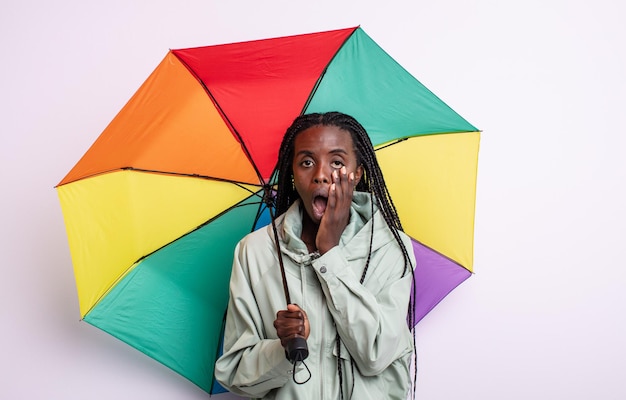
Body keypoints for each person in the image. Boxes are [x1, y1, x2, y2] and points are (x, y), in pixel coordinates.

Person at [215, 112, 416, 399]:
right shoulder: (255, 252)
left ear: (357, 173)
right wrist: (282, 348)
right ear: (293, 174)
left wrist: (330, 253)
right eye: (307, 162)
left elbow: (377, 353)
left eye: (336, 162)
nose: (321, 174)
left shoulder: (390, 248)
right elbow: (235, 373)